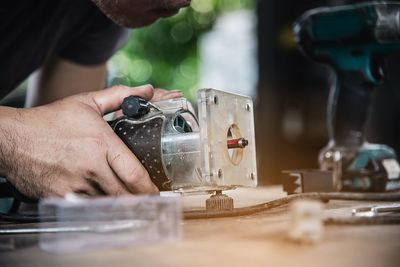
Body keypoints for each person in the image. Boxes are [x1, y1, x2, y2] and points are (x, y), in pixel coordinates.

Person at [0, 0, 191, 199]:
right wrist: (16, 141)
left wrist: (119, 140)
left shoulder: (101, 11)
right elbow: (35, 142)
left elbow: (54, 169)